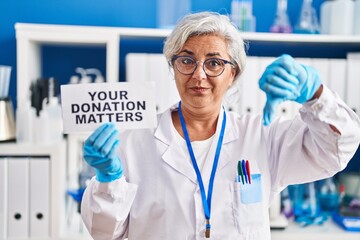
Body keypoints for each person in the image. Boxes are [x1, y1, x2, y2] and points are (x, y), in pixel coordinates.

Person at [80, 12, 360, 240]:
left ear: (232, 73)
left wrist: (315, 94)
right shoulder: (132, 143)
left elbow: (338, 149)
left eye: (214, 63)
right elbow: (104, 234)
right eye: (187, 60)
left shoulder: (263, 136)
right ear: (173, 68)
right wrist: (108, 181)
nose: (198, 75)